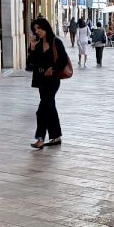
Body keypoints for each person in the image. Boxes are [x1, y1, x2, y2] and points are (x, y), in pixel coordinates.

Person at [26, 17, 68, 149]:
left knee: (42, 110)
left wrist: (53, 69)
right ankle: (56, 136)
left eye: (39, 28)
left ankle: (40, 138)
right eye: (35, 29)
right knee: (50, 106)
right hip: (41, 80)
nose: (37, 31)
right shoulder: (37, 45)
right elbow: (30, 64)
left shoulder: (56, 42)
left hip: (53, 80)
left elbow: (63, 61)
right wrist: (32, 48)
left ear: (45, 27)